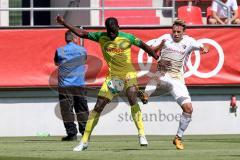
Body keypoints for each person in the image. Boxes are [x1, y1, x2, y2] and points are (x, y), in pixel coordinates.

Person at [56, 16, 160, 151]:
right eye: (109, 31)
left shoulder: (128, 37)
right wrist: (64, 23)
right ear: (106, 29)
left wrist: (157, 58)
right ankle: (84, 141)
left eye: (113, 31)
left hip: (128, 75)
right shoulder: (101, 36)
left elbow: (145, 46)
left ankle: (141, 134)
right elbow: (81, 33)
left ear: (118, 27)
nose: (111, 34)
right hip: (113, 78)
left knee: (132, 96)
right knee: (98, 107)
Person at [142, 19, 209, 150]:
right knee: (158, 74)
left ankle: (178, 138)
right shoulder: (165, 38)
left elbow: (203, 46)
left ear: (184, 32)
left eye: (179, 32)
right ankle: (145, 95)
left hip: (177, 79)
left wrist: (205, 48)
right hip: (164, 74)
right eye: (174, 31)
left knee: (188, 109)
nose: (176, 34)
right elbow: (151, 50)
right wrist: (160, 46)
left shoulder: (189, 41)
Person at [54, 30, 89, 141]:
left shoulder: (60, 51)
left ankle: (72, 134)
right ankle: (85, 133)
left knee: (67, 110)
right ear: (75, 38)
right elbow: (84, 60)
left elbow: (56, 62)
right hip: (79, 85)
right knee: (82, 109)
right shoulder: (82, 50)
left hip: (65, 86)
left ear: (66, 39)